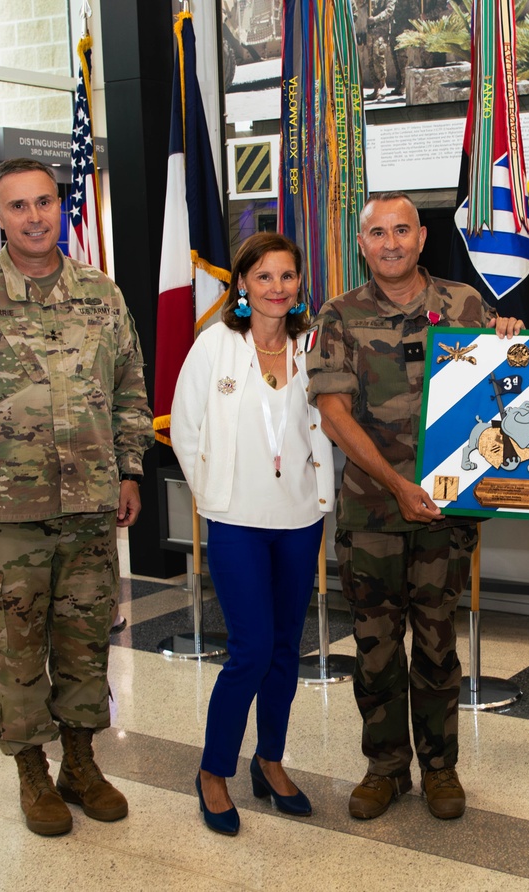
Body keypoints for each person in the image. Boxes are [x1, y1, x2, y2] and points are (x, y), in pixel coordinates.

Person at [0, 157, 154, 837]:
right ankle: (32, 772)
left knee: (84, 644)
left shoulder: (102, 294)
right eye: (18, 206)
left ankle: (81, 762)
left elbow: (131, 386)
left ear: (58, 206)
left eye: (44, 202)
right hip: (2, 515)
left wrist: (129, 469)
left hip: (91, 509)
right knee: (15, 650)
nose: (35, 217)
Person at [306, 192, 524, 821]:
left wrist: (512, 342)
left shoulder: (465, 305)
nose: (392, 243)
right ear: (362, 243)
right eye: (378, 233)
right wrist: (397, 484)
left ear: (422, 237)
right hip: (373, 514)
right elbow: (332, 413)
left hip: (445, 518)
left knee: (435, 647)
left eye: (403, 230)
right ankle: (384, 769)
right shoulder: (340, 314)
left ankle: (440, 769)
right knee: (375, 650)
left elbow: (509, 391)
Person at [170, 232, 335, 836]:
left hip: (300, 518)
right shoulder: (214, 346)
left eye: (287, 276)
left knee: (288, 649)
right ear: (241, 283)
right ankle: (214, 771)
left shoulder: (311, 347)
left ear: (298, 285)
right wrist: (214, 493)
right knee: (251, 649)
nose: (276, 288)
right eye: (263, 277)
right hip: (237, 521)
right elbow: (186, 432)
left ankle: (269, 761)